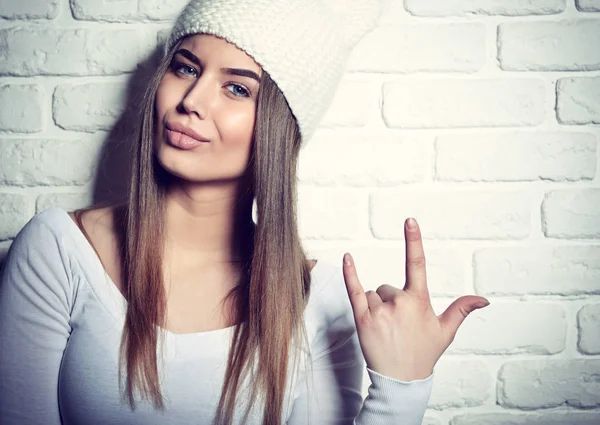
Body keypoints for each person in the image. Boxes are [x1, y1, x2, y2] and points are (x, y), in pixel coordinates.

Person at [0, 0, 490, 424]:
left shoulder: (316, 299)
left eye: (237, 88)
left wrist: (402, 387)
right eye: (186, 68)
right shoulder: (58, 251)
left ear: (280, 127)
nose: (190, 101)